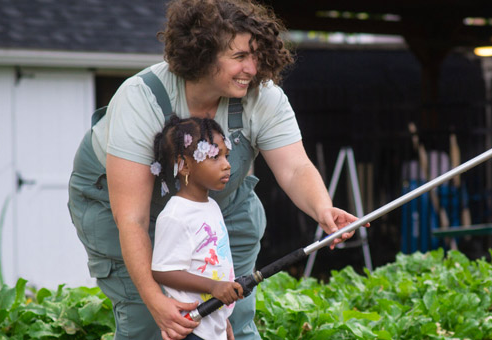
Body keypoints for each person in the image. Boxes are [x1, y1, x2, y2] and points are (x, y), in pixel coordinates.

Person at [67, 0, 363, 338]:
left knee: (232, 313)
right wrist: (155, 301)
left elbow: (295, 168)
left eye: (256, 56)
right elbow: (131, 218)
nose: (252, 68)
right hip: (125, 208)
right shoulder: (141, 99)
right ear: (202, 54)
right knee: (151, 321)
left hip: (217, 203)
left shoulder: (262, 96)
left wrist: (323, 210)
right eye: (239, 57)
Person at [150, 116, 243, 340]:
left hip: (212, 324)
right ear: (184, 165)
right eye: (215, 157)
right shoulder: (176, 215)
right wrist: (214, 287)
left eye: (226, 156)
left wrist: (222, 319)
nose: (227, 165)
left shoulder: (211, 206)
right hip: (192, 329)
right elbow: (163, 271)